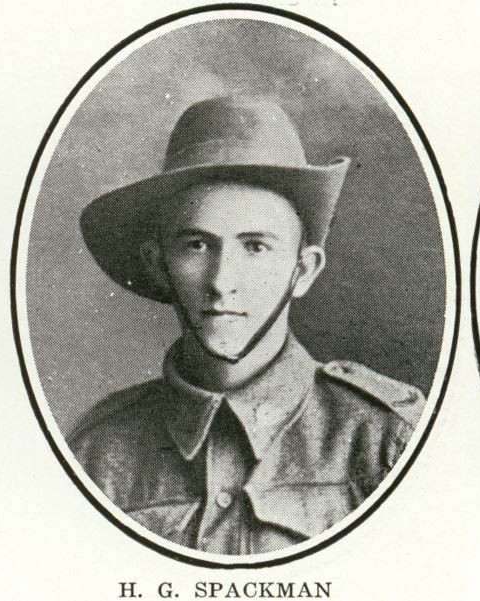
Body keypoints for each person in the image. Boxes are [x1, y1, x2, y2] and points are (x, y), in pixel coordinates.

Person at [71, 96, 425, 555]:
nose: (222, 282)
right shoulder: (97, 449)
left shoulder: (387, 438)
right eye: (196, 245)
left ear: (303, 271)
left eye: (255, 247)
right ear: (158, 265)